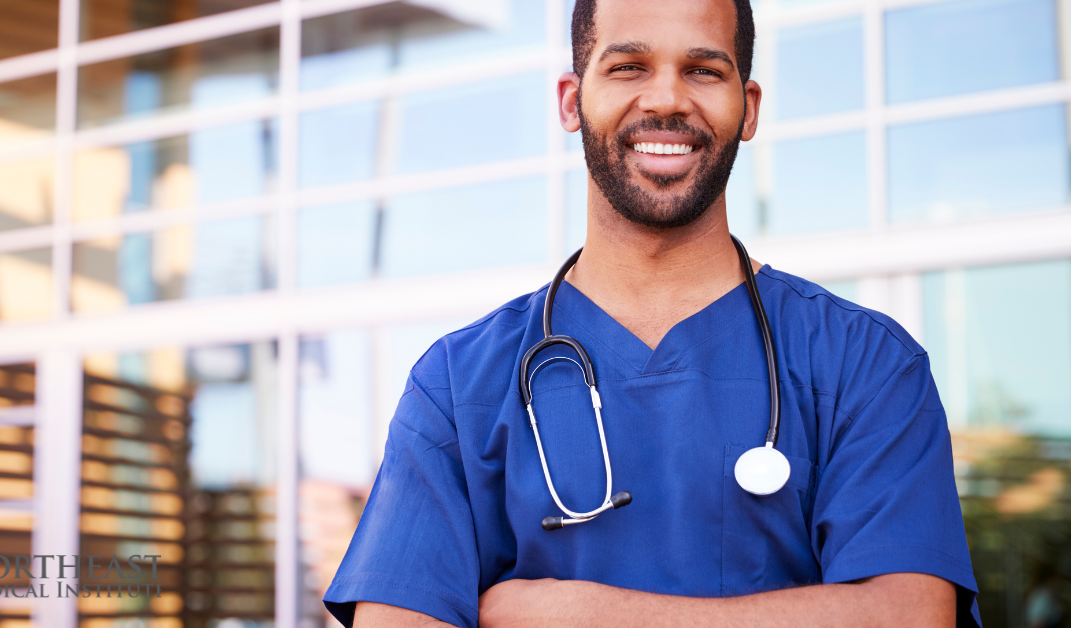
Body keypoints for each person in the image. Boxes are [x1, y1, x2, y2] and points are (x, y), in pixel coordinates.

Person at [323, 0, 981, 624]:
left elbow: (910, 616)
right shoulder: (457, 384)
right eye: (628, 66)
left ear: (747, 108)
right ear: (570, 100)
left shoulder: (865, 363)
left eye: (703, 70)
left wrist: (584, 617)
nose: (667, 98)